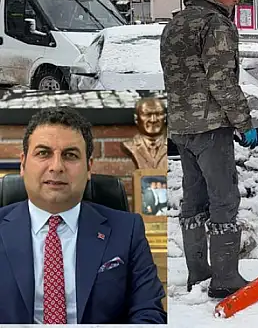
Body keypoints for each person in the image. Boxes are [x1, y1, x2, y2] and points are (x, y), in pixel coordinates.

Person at [0, 107, 167, 324]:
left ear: (89, 168)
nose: (57, 167)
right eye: (43, 153)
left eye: (70, 155)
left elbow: (149, 313)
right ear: (22, 164)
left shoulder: (127, 230)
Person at [160, 0, 258, 299]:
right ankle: (225, 278)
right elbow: (221, 80)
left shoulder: (175, 23)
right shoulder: (216, 24)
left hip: (181, 127)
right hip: (210, 127)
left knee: (194, 199)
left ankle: (198, 273)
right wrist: (244, 123)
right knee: (224, 199)